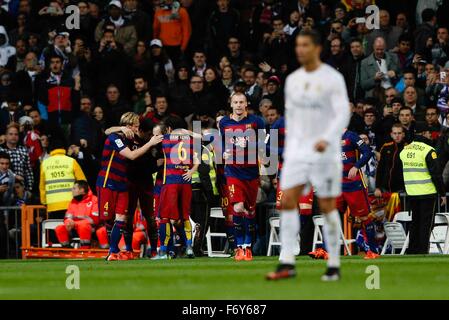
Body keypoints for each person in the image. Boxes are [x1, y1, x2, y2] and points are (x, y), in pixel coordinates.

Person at [266, 30, 350, 281]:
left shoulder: (332, 78)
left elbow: (342, 112)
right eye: (297, 46)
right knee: (287, 201)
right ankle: (287, 262)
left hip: (325, 152)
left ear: (317, 48)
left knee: (326, 206)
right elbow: (293, 118)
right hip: (297, 152)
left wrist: (328, 137)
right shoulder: (292, 80)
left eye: (305, 45)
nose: (300, 50)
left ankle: (334, 264)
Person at [96, 112, 162, 261]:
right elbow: (131, 155)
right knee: (109, 219)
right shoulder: (115, 138)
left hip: (125, 184)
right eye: (136, 127)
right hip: (108, 182)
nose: (138, 130)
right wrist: (150, 143)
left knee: (122, 218)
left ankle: (114, 252)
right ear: (129, 126)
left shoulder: (136, 139)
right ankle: (116, 250)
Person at [219, 92, 266, 262]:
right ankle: (239, 247)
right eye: (235, 102)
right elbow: (223, 141)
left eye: (241, 102)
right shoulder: (224, 122)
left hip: (251, 172)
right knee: (238, 208)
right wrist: (223, 151)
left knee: (250, 211)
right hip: (233, 171)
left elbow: (264, 145)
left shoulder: (256, 121)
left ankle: (248, 247)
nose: (238, 105)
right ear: (231, 104)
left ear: (246, 104)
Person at [153, 115, 198, 259]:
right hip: (185, 182)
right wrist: (191, 172)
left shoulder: (165, 139)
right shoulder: (189, 141)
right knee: (185, 216)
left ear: (168, 129)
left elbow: (152, 142)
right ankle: (189, 247)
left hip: (170, 182)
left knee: (165, 217)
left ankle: (164, 251)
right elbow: (197, 159)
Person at [400, 122, 446, 254]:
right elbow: (436, 174)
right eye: (428, 133)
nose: (430, 135)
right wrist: (442, 193)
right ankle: (422, 250)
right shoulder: (429, 150)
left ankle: (412, 249)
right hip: (427, 192)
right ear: (424, 133)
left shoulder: (405, 150)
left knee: (415, 222)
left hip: (412, 193)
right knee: (426, 224)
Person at [39, 138, 87, 218]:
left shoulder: (45, 163)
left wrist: (44, 201)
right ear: (64, 148)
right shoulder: (71, 161)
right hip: (71, 204)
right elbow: (82, 182)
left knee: (56, 228)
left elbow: (42, 186)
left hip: (53, 205)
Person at [54, 180, 108, 249]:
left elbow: (95, 219)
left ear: (82, 190)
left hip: (92, 228)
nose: (72, 190)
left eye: (74, 188)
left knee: (83, 226)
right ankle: (67, 249)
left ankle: (85, 249)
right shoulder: (73, 202)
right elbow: (67, 217)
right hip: (74, 228)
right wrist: (68, 222)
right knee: (59, 228)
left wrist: (76, 223)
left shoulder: (94, 200)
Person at [0, 123, 34, 192]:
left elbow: (28, 172)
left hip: (20, 190)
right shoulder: (0, 150)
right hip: (3, 190)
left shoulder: (24, 150)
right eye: (11, 134)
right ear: (6, 136)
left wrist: (29, 190)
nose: (13, 136)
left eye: (16, 134)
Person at [375, 123, 406, 196]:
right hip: (385, 189)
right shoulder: (386, 147)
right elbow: (380, 168)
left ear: (403, 134)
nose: (397, 136)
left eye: (399, 133)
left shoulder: (408, 148)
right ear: (391, 134)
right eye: (395, 133)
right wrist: (377, 187)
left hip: (401, 189)